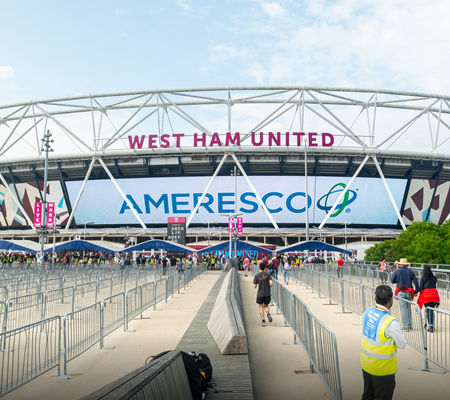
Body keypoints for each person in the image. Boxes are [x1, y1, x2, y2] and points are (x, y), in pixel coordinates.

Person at [361, 285, 406, 400]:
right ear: (390, 300)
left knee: (367, 395)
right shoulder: (390, 322)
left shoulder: (368, 312)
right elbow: (402, 344)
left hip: (366, 364)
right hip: (383, 369)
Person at [390, 258, 419, 331]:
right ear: (406, 264)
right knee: (408, 308)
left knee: (403, 309)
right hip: (409, 292)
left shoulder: (397, 271)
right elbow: (416, 282)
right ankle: (409, 324)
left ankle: (406, 327)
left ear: (400, 264)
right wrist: (416, 291)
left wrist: (398, 280)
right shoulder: (411, 272)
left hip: (401, 292)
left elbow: (392, 280)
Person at [416, 265, 440, 332]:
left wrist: (415, 291)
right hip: (435, 295)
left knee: (428, 310)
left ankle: (430, 325)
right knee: (431, 310)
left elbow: (421, 288)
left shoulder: (423, 278)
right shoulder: (435, 278)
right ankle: (430, 324)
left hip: (426, 296)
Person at [253, 263, 273, 327]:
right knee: (266, 305)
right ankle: (267, 312)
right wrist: (268, 286)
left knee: (261, 307)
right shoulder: (268, 275)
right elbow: (271, 283)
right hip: (267, 293)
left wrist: (256, 285)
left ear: (259, 268)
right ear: (265, 268)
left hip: (260, 294)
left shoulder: (257, 276)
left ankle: (263, 321)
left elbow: (254, 286)